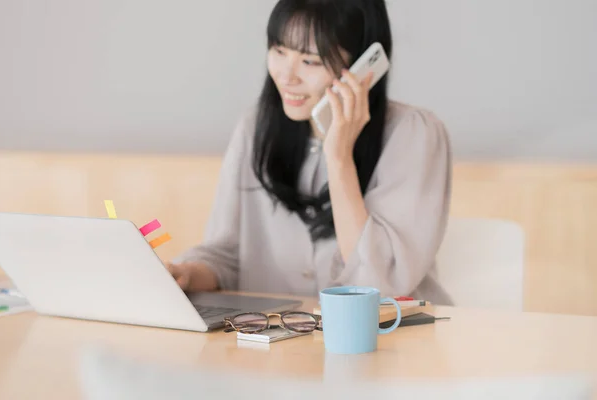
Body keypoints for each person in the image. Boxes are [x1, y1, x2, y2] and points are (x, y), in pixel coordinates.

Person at [166, 0, 454, 305]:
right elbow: (226, 257)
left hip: (392, 340)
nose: (287, 76)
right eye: (279, 50)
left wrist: (339, 155)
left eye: (311, 61)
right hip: (279, 341)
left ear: (362, 66)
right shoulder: (254, 129)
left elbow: (379, 285)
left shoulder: (413, 134)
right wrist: (185, 273)